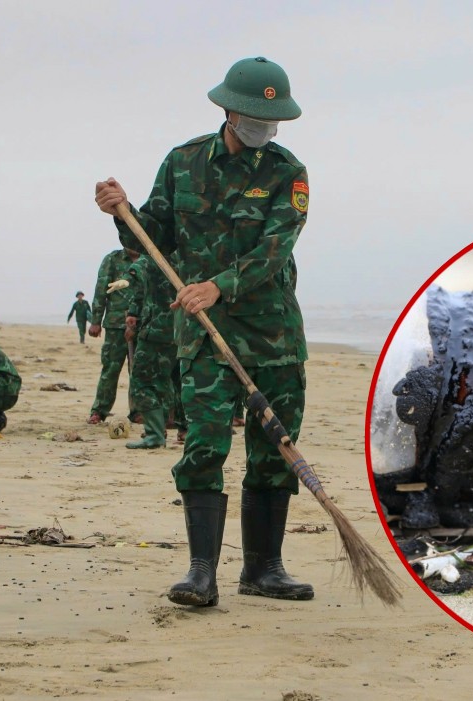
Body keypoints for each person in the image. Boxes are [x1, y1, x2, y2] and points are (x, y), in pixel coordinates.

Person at [95, 56, 312, 607]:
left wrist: (219, 284)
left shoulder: (288, 172)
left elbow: (274, 249)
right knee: (204, 444)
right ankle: (201, 573)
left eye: (273, 117)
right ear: (228, 110)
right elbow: (153, 239)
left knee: (272, 450)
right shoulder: (183, 162)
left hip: (272, 335)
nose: (266, 126)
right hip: (204, 334)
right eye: (255, 115)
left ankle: (264, 569)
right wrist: (123, 214)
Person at [122, 255, 186, 449]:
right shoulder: (187, 250)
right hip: (184, 328)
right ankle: (186, 429)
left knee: (142, 380)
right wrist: (134, 312)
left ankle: (155, 434)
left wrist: (128, 277)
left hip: (158, 329)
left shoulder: (156, 254)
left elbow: (139, 272)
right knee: (179, 379)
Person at [87, 248, 139, 423]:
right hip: (116, 325)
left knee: (140, 371)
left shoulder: (149, 259)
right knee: (110, 369)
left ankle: (138, 411)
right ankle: (99, 410)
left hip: (143, 324)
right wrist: (96, 321)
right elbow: (101, 289)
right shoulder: (113, 259)